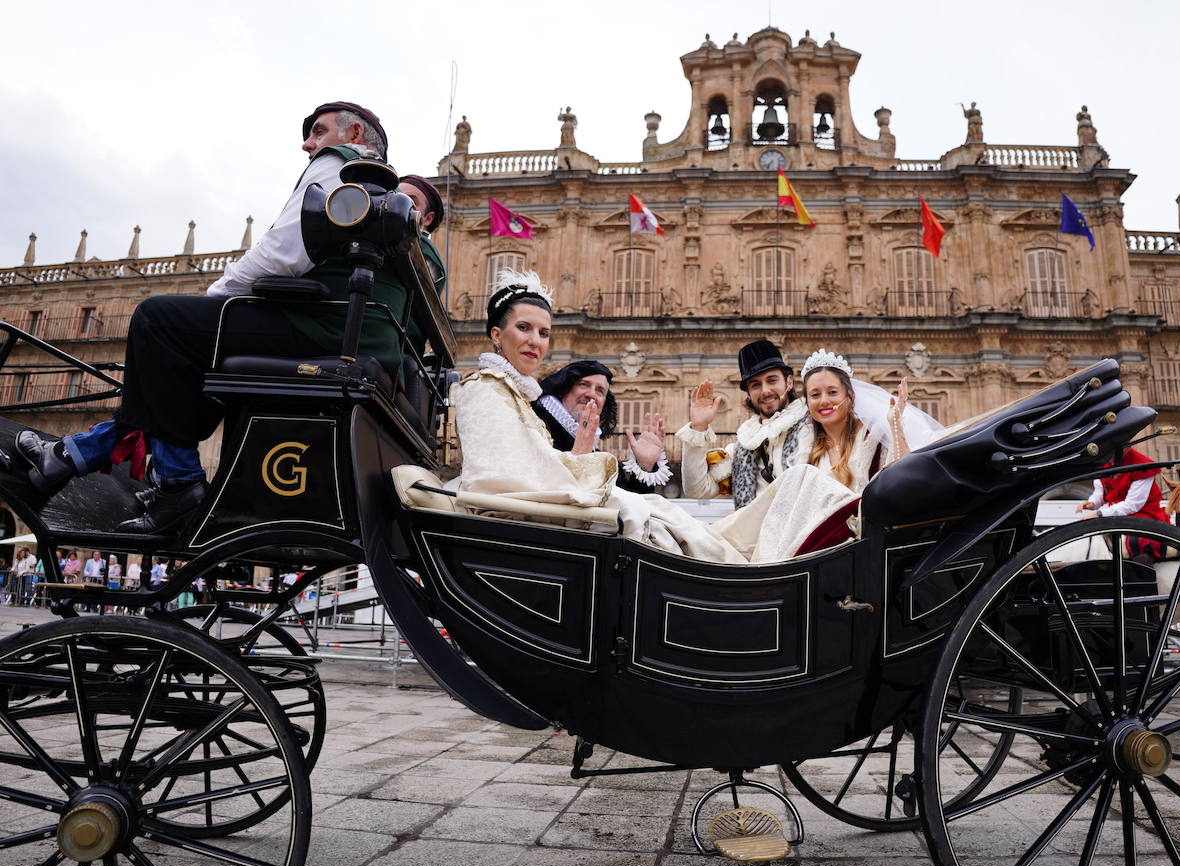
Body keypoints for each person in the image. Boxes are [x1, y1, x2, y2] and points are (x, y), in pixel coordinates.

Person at [9, 101, 423, 535]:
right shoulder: (387, 193)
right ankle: (76, 454)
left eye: (318, 131)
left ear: (354, 133)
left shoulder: (340, 167)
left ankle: (176, 483)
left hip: (323, 326)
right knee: (179, 363)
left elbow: (282, 253)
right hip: (358, 334)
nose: (308, 143)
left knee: (159, 320)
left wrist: (216, 299)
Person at [447, 270, 744, 562]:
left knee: (657, 508)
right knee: (647, 511)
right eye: (524, 328)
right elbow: (500, 479)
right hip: (527, 519)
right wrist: (578, 458)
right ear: (497, 335)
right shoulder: (486, 389)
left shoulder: (515, 394)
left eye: (544, 333)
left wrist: (641, 463)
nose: (535, 341)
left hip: (551, 507)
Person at [709, 348, 938, 562]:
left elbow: (903, 481)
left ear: (849, 395)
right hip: (816, 542)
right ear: (807, 402)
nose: (824, 401)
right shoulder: (807, 444)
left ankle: (719, 544)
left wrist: (895, 425)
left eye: (832, 392)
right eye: (815, 395)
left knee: (800, 476)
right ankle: (713, 542)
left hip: (861, 536)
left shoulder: (871, 437)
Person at [677, 340, 810, 508]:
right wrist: (698, 427)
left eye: (772, 380)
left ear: (789, 382)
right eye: (755, 385)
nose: (765, 391)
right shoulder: (743, 446)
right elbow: (697, 490)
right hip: (757, 533)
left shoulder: (814, 427)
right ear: (748, 392)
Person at [531, 359, 671, 494]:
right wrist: (579, 452)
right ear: (564, 390)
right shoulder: (535, 425)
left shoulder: (598, 454)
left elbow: (631, 502)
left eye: (600, 391)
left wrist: (644, 465)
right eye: (584, 384)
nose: (592, 394)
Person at [1076, 446, 1169, 560]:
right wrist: (1092, 503)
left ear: (1126, 448)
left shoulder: (1141, 465)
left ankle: (1143, 568)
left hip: (1144, 516)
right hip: (1117, 516)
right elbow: (1101, 493)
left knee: (1139, 544)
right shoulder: (1103, 463)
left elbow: (1133, 504)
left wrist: (1099, 514)